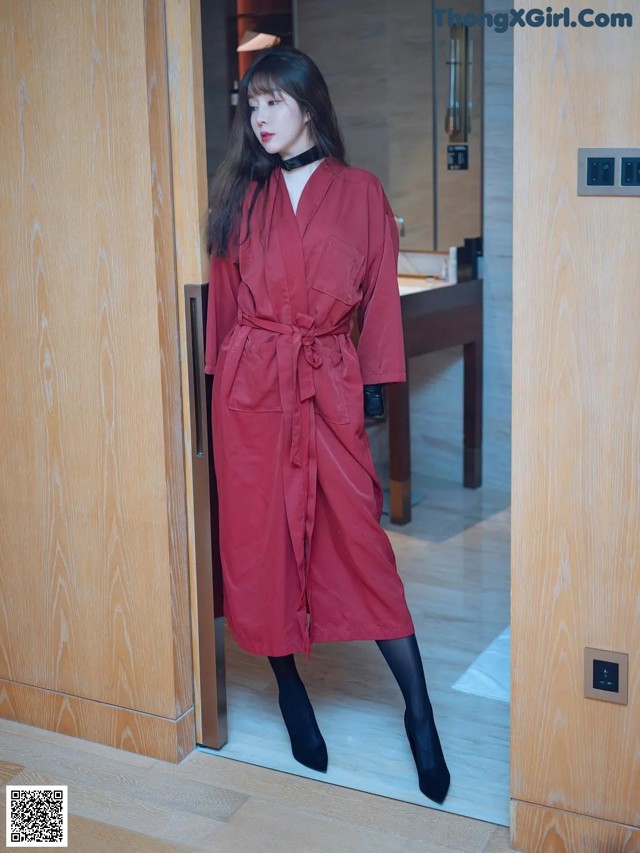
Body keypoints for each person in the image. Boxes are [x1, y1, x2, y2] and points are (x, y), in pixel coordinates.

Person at [204, 46, 450, 805]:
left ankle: (420, 712)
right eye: (252, 106)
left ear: (308, 103)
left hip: (327, 385)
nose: (261, 118)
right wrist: (219, 389)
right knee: (259, 544)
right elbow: (222, 307)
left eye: (273, 102)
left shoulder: (360, 191)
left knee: (361, 543)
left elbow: (377, 303)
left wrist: (372, 393)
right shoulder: (241, 198)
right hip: (249, 393)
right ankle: (289, 689)